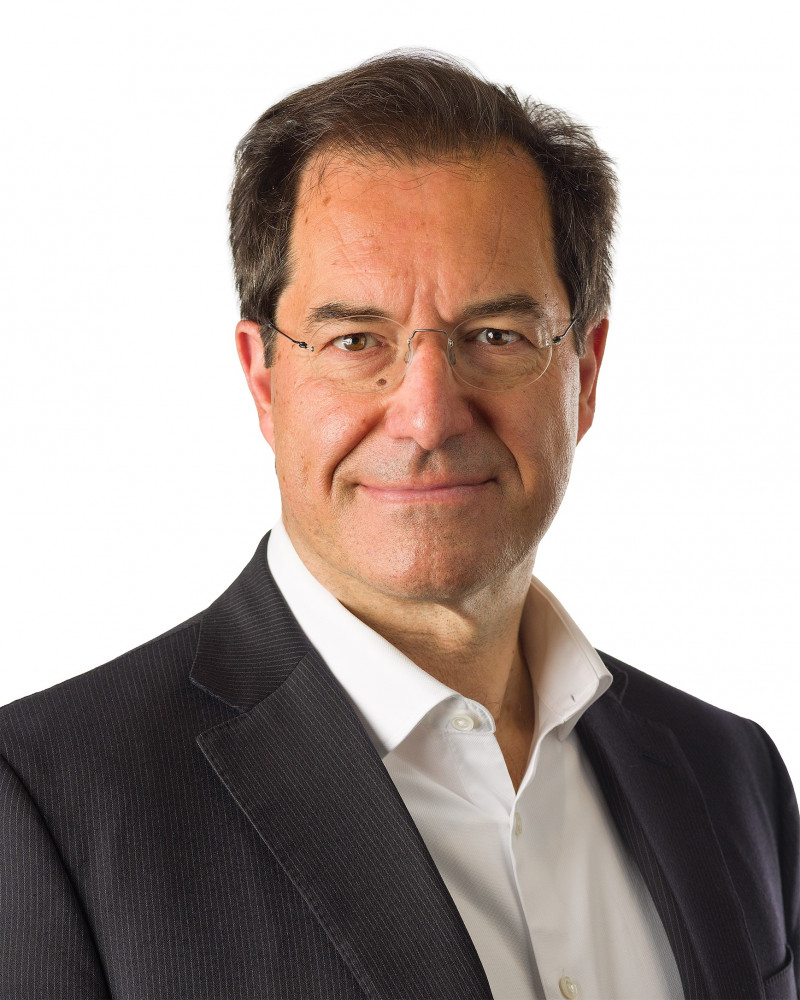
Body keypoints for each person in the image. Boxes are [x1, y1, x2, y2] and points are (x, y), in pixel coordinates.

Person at [1, 52, 797, 1000]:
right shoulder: (46, 805)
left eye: (495, 336)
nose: (427, 416)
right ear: (264, 379)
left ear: (584, 372)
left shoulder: (730, 774)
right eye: (355, 341)